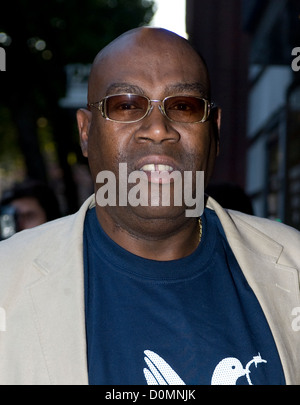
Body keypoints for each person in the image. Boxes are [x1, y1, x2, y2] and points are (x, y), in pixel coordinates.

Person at [0, 27, 299, 385]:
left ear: (213, 131)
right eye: (126, 105)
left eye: (184, 106)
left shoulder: (294, 267)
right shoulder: (8, 282)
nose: (158, 129)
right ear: (85, 131)